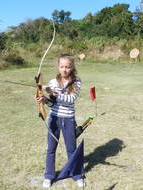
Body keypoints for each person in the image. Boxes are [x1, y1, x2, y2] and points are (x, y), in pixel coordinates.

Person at [35, 54, 85, 188]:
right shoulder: (53, 82)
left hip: (68, 119)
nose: (64, 70)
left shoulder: (77, 82)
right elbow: (53, 104)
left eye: (67, 67)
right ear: (58, 67)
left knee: (71, 149)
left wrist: (54, 92)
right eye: (62, 66)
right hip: (54, 119)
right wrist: (44, 100)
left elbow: (71, 99)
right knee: (51, 148)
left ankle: (76, 174)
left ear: (72, 67)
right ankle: (49, 176)